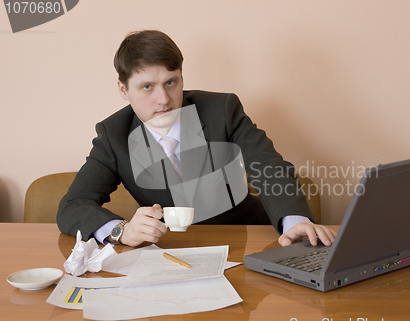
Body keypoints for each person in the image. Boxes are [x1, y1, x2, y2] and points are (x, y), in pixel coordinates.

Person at [57, 30, 335, 247]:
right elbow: (73, 206)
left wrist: (293, 222)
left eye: (171, 82)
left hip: (245, 244)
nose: (163, 99)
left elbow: (269, 166)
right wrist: (122, 231)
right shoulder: (113, 134)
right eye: (147, 87)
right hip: (169, 254)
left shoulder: (222, 110)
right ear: (123, 89)